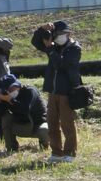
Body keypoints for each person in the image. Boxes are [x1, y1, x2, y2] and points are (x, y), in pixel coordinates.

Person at [32, 20, 82, 163]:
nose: (59, 36)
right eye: (57, 34)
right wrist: (41, 29)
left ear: (68, 34)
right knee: (52, 122)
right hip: (53, 91)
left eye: (62, 33)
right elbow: (35, 42)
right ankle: (56, 152)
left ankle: (70, 152)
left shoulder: (74, 48)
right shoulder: (53, 46)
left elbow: (61, 64)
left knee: (67, 123)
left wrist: (51, 49)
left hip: (67, 91)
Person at [0, 74, 48, 152]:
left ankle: (44, 146)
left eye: (14, 86)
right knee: (6, 117)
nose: (12, 90)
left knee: (44, 130)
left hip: (38, 124)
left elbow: (25, 110)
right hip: (23, 125)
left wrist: (10, 100)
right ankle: (11, 147)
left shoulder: (30, 91)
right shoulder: (6, 97)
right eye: (9, 89)